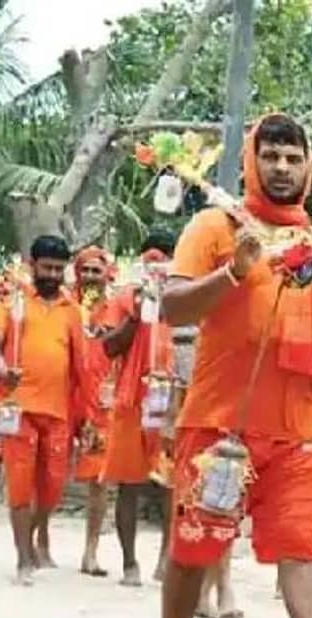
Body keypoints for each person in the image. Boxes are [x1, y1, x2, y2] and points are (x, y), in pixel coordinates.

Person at [158, 113, 312, 618]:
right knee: (194, 549)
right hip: (219, 426)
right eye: (270, 156)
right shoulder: (214, 226)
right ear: (251, 162)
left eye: (293, 158)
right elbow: (173, 307)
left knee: (301, 552)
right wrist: (234, 271)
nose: (282, 167)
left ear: (309, 168)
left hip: (297, 431)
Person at [0, 235, 95, 586]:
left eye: (59, 269)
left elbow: (81, 366)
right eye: (47, 268)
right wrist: (4, 371)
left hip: (58, 411)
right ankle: (22, 558)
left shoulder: (72, 310)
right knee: (20, 485)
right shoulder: (12, 300)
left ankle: (31, 539)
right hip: (17, 407)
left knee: (52, 488)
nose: (52, 275)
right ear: (32, 265)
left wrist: (88, 415)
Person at [96, 233, 177, 587]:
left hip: (171, 403)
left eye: (165, 260)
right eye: (152, 260)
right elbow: (109, 347)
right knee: (128, 483)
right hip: (131, 402)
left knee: (172, 485)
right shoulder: (125, 297)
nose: (158, 267)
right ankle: (130, 564)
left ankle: (165, 561)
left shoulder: (184, 297)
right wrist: (138, 311)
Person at [71, 244, 117, 578]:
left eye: (95, 271)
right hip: (63, 396)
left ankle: (90, 552)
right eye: (84, 270)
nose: (89, 276)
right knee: (46, 471)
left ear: (107, 275)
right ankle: (38, 542)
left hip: (98, 403)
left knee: (99, 479)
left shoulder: (116, 309)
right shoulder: (66, 306)